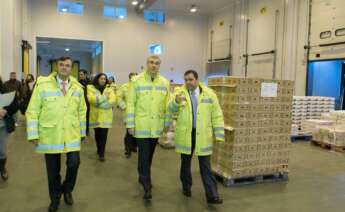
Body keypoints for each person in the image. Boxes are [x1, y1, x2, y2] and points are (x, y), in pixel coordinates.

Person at [26, 57, 87, 212]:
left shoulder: (78, 88)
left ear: (71, 68)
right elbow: (33, 110)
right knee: (53, 170)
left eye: (67, 65)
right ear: (56, 67)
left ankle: (67, 190)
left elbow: (82, 111)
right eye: (61, 65)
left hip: (71, 134)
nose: (64, 68)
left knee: (74, 163)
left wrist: (82, 132)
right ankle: (55, 198)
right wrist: (33, 134)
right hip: (50, 134)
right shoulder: (43, 85)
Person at [168, 70, 224, 205]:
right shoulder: (178, 93)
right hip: (186, 135)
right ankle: (186, 187)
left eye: (191, 79)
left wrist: (219, 134)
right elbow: (170, 109)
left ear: (197, 80)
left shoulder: (209, 94)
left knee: (205, 166)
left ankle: (212, 195)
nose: (188, 82)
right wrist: (176, 102)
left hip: (203, 135)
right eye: (186, 80)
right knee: (185, 164)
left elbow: (217, 114)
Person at [126, 55, 172, 200]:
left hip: (156, 126)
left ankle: (142, 175)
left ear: (160, 65)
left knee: (149, 156)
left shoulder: (164, 82)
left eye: (157, 63)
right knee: (144, 155)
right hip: (141, 125)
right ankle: (147, 185)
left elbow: (167, 105)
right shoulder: (136, 81)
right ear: (147, 64)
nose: (154, 65)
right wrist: (130, 124)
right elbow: (130, 103)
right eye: (151, 63)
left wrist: (167, 123)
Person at [87, 73, 116, 162]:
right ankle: (99, 149)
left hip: (106, 118)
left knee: (103, 136)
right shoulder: (90, 88)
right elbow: (92, 100)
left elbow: (113, 101)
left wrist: (100, 103)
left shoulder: (109, 89)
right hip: (95, 117)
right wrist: (104, 98)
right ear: (97, 79)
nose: (103, 80)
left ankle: (102, 154)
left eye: (104, 79)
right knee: (97, 135)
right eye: (101, 78)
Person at [0, 76, 19, 181]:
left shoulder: (4, 89)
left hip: (2, 127)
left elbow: (15, 105)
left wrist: (6, 110)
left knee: (2, 151)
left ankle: (2, 168)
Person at [117, 72, 138, 158]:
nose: (134, 80)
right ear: (129, 78)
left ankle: (134, 146)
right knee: (129, 132)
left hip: (139, 114)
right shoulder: (124, 87)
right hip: (128, 113)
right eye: (132, 78)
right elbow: (118, 97)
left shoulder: (139, 87)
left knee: (137, 132)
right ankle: (127, 149)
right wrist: (124, 106)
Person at [78, 69, 91, 136]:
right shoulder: (78, 83)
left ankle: (87, 130)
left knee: (87, 117)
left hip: (88, 102)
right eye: (79, 75)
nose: (80, 76)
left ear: (85, 75)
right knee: (80, 117)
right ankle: (80, 130)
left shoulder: (90, 83)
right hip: (80, 102)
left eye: (81, 74)